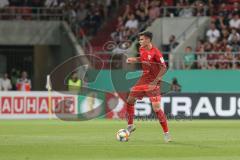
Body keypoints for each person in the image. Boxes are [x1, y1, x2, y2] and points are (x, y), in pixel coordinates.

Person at [125, 31, 171, 142]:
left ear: (148, 40)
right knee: (130, 100)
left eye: (142, 39)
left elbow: (164, 67)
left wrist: (155, 81)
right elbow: (143, 59)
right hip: (143, 79)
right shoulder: (141, 49)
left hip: (153, 82)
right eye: (139, 39)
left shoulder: (156, 52)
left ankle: (166, 133)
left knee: (156, 108)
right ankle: (130, 125)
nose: (140, 41)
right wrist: (134, 59)